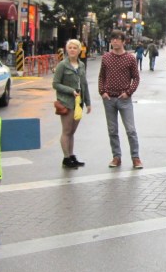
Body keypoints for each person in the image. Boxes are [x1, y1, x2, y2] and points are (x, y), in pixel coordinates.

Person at [98, 30, 143, 169]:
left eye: (118, 39)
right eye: (113, 39)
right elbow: (101, 76)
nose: (115, 41)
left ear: (124, 41)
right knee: (112, 130)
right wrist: (102, 92)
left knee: (130, 130)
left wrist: (129, 92)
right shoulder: (106, 57)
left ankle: (135, 158)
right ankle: (116, 157)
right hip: (109, 98)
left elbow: (136, 77)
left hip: (124, 99)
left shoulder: (130, 58)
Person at [52, 39, 91, 169]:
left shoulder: (81, 65)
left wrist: (88, 102)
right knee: (67, 130)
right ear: (66, 49)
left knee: (72, 131)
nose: (72, 50)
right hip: (67, 102)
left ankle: (71, 155)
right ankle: (66, 158)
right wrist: (70, 91)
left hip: (78, 103)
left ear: (80, 50)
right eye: (70, 48)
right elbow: (55, 84)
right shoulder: (62, 65)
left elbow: (84, 84)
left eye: (75, 48)